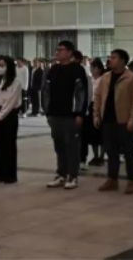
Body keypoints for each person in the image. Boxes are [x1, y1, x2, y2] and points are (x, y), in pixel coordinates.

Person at [94, 49, 133, 195]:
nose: (110, 60)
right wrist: (96, 115)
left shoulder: (132, 78)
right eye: (110, 57)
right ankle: (112, 179)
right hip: (108, 120)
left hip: (124, 121)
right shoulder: (105, 77)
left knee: (129, 153)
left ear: (122, 61)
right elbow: (97, 97)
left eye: (114, 57)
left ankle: (131, 181)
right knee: (111, 152)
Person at [44, 41, 89, 191]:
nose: (58, 52)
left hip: (71, 115)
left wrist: (80, 113)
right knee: (59, 146)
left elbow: (81, 93)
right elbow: (46, 90)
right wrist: (48, 111)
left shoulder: (77, 69)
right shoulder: (54, 69)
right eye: (57, 50)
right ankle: (61, 174)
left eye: (61, 50)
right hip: (55, 114)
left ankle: (73, 176)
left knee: (72, 147)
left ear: (70, 52)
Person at [0, 57, 23, 185]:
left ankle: (10, 175)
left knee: (8, 145)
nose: (0, 68)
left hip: (9, 115)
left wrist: (0, 115)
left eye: (2, 65)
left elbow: (11, 101)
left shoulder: (16, 82)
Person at [85, 59, 107, 167]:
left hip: (101, 107)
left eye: (92, 68)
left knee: (101, 133)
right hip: (91, 106)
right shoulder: (91, 80)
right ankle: (95, 156)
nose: (91, 70)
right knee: (92, 134)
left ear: (98, 68)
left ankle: (102, 156)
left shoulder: (103, 80)